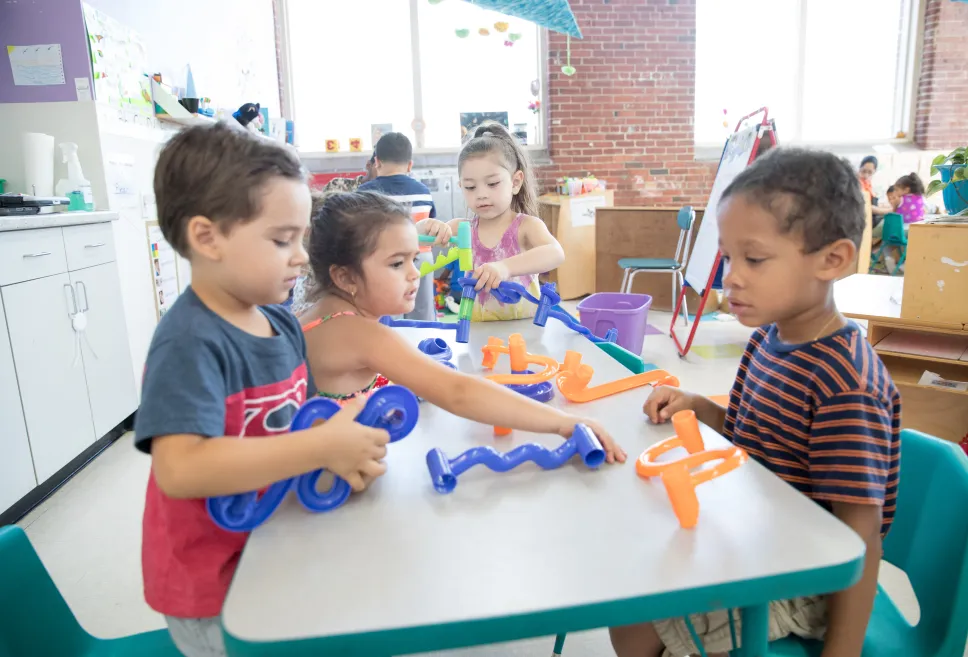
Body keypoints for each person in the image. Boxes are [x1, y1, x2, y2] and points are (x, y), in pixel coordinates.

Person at [609, 148, 901, 657]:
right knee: (630, 589)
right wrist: (700, 408)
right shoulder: (770, 340)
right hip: (756, 535)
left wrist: (843, 653)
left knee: (637, 625)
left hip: (807, 583)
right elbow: (754, 441)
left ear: (832, 260)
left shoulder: (844, 382)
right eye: (728, 258)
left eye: (755, 259)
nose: (731, 279)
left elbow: (861, 535)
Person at [135, 123, 391, 657]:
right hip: (213, 585)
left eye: (301, 238)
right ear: (208, 237)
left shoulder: (282, 324)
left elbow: (289, 428)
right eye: (282, 240)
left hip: (272, 546)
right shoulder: (188, 342)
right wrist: (321, 447)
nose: (301, 257)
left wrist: (336, 451)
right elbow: (180, 469)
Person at [299, 190, 625, 463]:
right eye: (397, 263)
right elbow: (459, 392)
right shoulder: (360, 333)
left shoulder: (325, 314)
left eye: (415, 258)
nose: (415, 273)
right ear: (344, 277)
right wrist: (564, 423)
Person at [447, 122, 564, 321]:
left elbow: (556, 253)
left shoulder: (526, 227)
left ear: (515, 182)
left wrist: (504, 267)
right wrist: (428, 227)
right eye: (470, 187)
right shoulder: (462, 228)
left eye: (492, 184)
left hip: (524, 336)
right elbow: (418, 239)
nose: (481, 194)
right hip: (478, 334)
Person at [359, 132, 438, 322]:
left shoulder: (365, 194)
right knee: (423, 310)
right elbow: (430, 224)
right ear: (410, 165)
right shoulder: (423, 192)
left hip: (387, 260)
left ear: (376, 162)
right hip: (423, 257)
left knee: (390, 312)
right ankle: (425, 348)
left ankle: (391, 345)